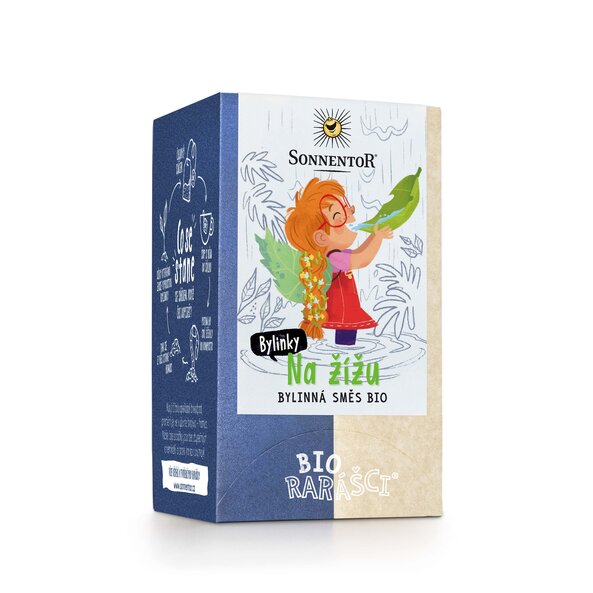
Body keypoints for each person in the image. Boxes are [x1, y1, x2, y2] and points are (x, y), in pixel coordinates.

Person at [285, 178, 393, 345]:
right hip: (342, 309)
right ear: (322, 237)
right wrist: (377, 238)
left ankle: (336, 350)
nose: (348, 218)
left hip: (341, 308)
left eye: (345, 209)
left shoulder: (333, 255)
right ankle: (343, 353)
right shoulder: (334, 257)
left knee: (342, 335)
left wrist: (374, 235)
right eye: (338, 217)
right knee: (345, 338)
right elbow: (362, 259)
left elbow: (358, 252)